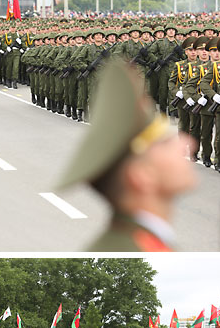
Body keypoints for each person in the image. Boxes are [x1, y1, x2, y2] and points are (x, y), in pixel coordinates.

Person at [63, 52, 196, 247]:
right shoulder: (132, 248)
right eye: (165, 142)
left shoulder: (147, 243)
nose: (187, 144)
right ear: (142, 176)